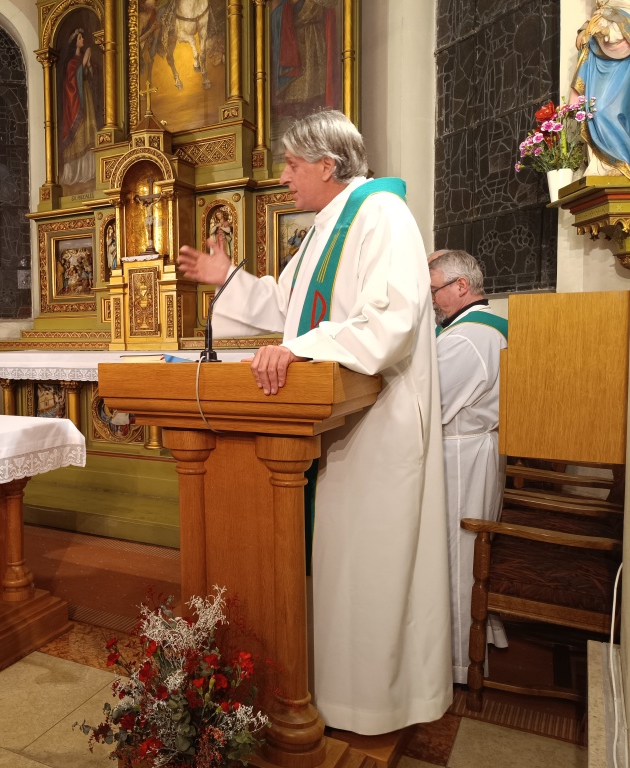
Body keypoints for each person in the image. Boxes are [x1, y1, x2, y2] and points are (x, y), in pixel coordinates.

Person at [177, 110, 452, 735]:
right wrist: (229, 280)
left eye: (292, 164)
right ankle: (324, 689)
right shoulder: (324, 230)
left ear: (328, 166)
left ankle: (373, 703)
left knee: (366, 566)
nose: (283, 177)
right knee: (335, 566)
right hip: (329, 421)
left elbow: (390, 319)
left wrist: (303, 349)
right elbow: (289, 305)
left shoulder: (381, 215)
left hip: (376, 421)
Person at [428, 249, 509, 685]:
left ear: (462, 286)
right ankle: (479, 636)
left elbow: (431, 404)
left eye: (434, 290)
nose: (431, 300)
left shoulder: (466, 338)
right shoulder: (490, 325)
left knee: (459, 557)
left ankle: (459, 660)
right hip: (478, 451)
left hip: (461, 458)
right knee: (473, 554)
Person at [571, 0, 630, 177]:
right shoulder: (601, 10)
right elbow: (589, 31)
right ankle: (601, 164)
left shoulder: (624, 5)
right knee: (593, 110)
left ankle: (621, 161)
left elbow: (625, 29)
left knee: (606, 110)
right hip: (598, 67)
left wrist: (605, 32)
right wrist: (584, 33)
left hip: (621, 69)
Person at [59, 29, 100, 186]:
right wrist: (83, 63)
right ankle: (76, 173)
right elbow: (71, 83)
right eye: (80, 38)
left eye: (83, 38)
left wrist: (88, 65)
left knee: (89, 130)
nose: (82, 40)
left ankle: (89, 171)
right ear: (75, 42)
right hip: (77, 103)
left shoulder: (82, 58)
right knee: (80, 131)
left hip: (86, 96)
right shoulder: (71, 62)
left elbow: (89, 77)